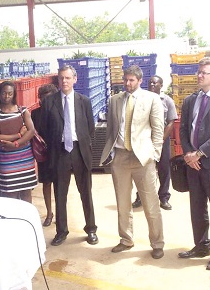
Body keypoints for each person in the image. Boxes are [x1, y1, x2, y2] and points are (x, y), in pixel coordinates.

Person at [100, 65, 165, 259]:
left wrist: (155, 155)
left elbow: (158, 130)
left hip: (142, 158)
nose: (127, 84)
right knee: (122, 202)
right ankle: (126, 239)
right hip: (120, 157)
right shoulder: (115, 100)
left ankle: (157, 242)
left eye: (131, 80)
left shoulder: (152, 99)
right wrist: (111, 154)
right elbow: (111, 130)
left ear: (139, 81)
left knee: (150, 203)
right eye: (125, 80)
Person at [178, 57, 210, 270]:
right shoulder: (190, 100)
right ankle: (201, 245)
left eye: (204, 72)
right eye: (198, 72)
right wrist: (189, 154)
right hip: (193, 165)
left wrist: (200, 153)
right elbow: (184, 129)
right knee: (197, 207)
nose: (199, 75)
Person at [41, 65, 98, 246]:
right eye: (61, 78)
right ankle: (61, 231)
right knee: (60, 193)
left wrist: (82, 144)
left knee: (85, 193)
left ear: (75, 79)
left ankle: (91, 229)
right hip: (59, 152)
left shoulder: (84, 101)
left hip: (79, 151)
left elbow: (90, 128)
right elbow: (44, 128)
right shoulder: (50, 102)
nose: (64, 81)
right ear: (58, 80)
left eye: (67, 78)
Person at [132, 75, 178, 210]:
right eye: (150, 82)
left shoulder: (167, 101)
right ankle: (140, 196)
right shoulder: (141, 100)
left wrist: (161, 140)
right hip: (144, 140)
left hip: (162, 140)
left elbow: (170, 122)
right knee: (142, 169)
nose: (152, 85)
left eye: (155, 83)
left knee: (164, 169)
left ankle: (163, 197)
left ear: (161, 85)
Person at [0, 80, 37, 202]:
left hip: (24, 157)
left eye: (10, 94)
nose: (7, 96)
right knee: (10, 192)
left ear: (14, 94)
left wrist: (16, 143)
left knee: (26, 191)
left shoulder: (22, 110)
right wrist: (19, 134)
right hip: (7, 159)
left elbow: (31, 131)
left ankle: (27, 218)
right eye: (4, 93)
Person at [31, 83, 58, 226]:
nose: (46, 101)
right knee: (46, 184)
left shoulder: (60, 110)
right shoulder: (35, 114)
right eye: (43, 98)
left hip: (59, 154)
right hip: (43, 154)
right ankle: (49, 213)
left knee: (60, 185)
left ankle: (60, 213)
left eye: (49, 98)